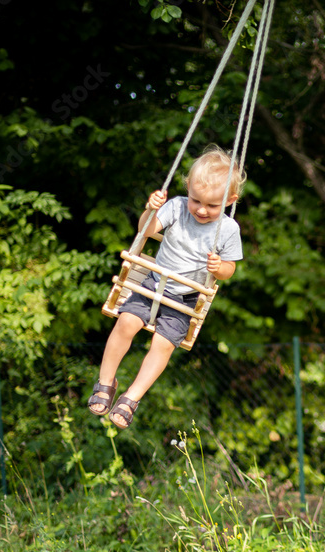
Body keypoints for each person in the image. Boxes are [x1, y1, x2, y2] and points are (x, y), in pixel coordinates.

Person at [88, 145, 245, 429]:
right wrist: (151, 209)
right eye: (196, 200)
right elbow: (145, 231)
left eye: (212, 206)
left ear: (230, 200)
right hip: (152, 283)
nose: (201, 210)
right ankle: (105, 382)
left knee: (162, 345)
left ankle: (131, 398)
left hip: (185, 298)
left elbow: (229, 270)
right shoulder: (175, 207)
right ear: (188, 188)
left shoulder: (229, 229)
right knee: (125, 323)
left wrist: (218, 268)